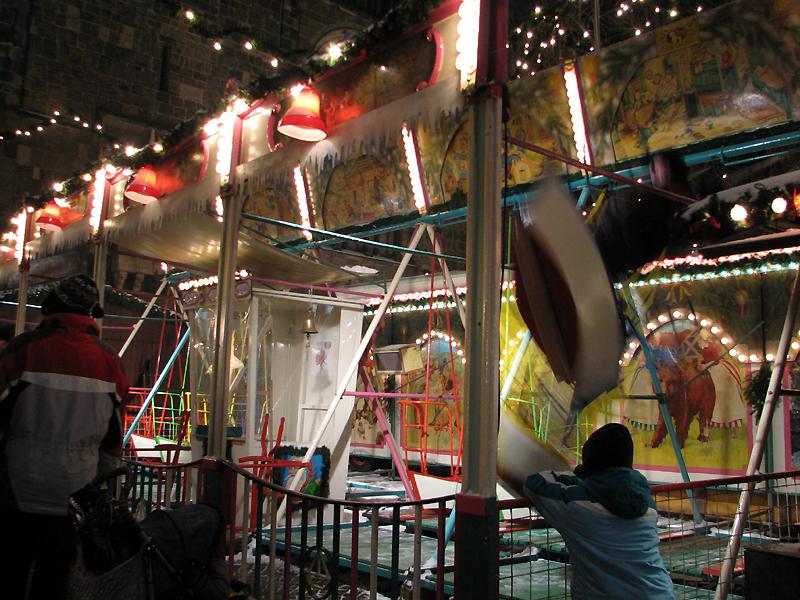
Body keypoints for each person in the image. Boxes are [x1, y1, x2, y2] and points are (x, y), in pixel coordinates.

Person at [0, 274, 129, 599]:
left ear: (51, 306)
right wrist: (97, 485)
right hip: (73, 493)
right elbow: (113, 439)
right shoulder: (109, 362)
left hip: (18, 490)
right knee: (55, 581)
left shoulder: (23, 351)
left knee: (12, 573)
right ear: (90, 314)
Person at [524, 423, 674, 600]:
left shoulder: (578, 505)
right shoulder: (647, 503)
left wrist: (579, 477)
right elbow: (608, 489)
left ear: (590, 462)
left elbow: (535, 483)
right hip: (659, 593)